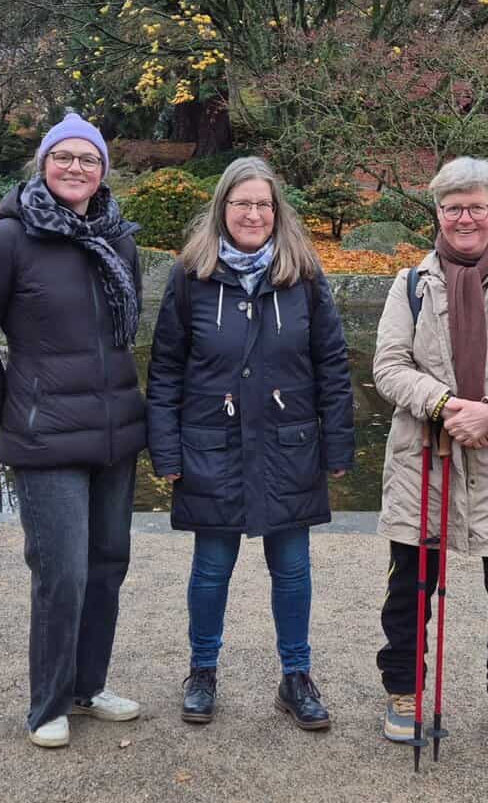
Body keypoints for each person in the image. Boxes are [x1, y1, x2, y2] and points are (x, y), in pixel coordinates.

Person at [0, 112, 146, 749]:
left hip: (114, 433)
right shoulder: (4, 240)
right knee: (62, 571)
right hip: (47, 437)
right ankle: (48, 704)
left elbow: (125, 334)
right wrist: (12, 408)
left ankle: (88, 686)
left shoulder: (119, 240)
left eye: (89, 160)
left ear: (103, 172)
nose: (76, 169)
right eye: (64, 157)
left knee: (108, 565)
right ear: (43, 164)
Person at [146, 156, 355, 730]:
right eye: (242, 203)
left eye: (263, 204)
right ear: (223, 208)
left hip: (289, 445)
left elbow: (332, 366)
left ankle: (296, 676)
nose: (253, 213)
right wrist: (166, 451)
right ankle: (202, 671)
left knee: (292, 568)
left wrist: (337, 448)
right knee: (211, 567)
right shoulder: (190, 277)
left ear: (277, 211)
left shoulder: (304, 277)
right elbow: (165, 370)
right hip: (211, 445)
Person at [372, 156, 488, 752]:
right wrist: (444, 405)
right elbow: (389, 367)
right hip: (424, 464)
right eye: (453, 207)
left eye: (477, 206)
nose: (465, 218)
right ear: (438, 212)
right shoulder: (410, 283)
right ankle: (404, 689)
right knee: (410, 590)